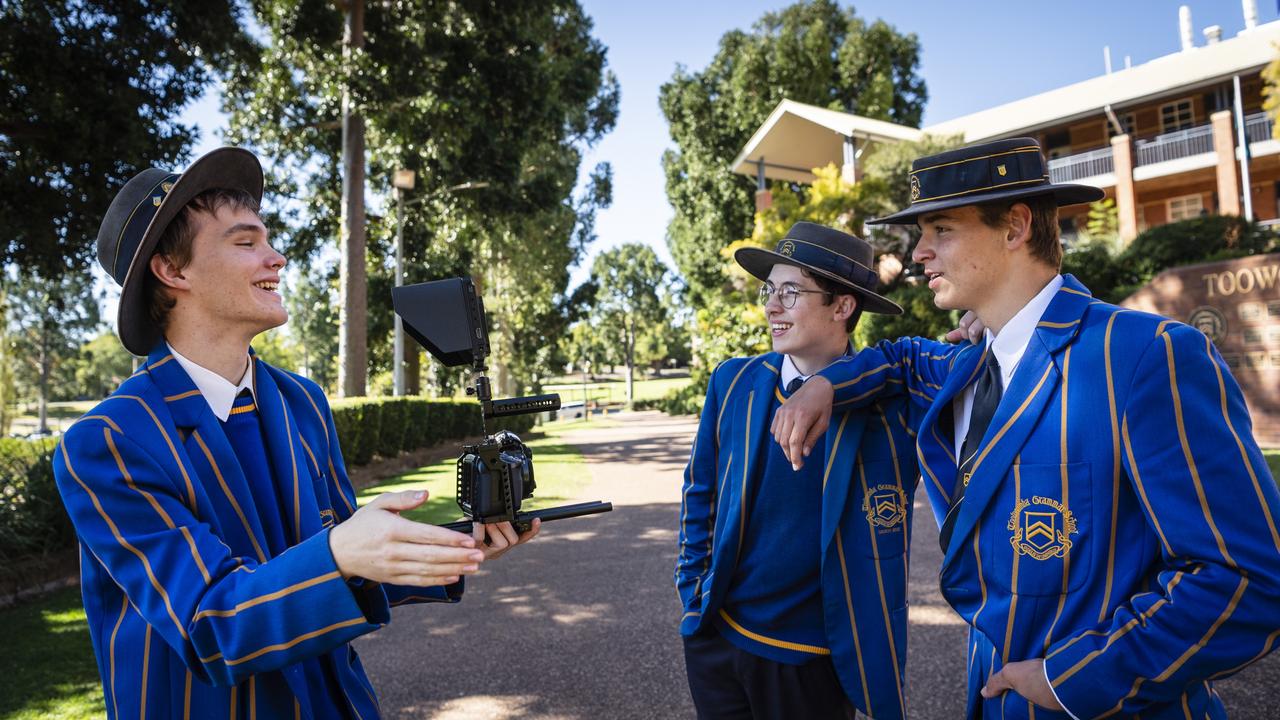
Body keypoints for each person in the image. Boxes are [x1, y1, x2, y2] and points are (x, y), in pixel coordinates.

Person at [771, 137, 1280, 719]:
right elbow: (901, 359)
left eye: (940, 230)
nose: (918, 254)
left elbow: (1247, 579)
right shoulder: (962, 364)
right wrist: (826, 384)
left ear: (1014, 227)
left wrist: (1072, 679)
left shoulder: (1143, 355)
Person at [54, 147, 538, 719]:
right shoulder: (107, 442)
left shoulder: (302, 401)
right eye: (246, 243)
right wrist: (339, 553)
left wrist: (456, 545)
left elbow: (349, 564)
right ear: (173, 270)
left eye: (268, 239)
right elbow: (210, 625)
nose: (276, 257)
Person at [676, 222, 924, 719]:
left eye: (790, 292)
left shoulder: (892, 404)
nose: (771, 306)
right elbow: (699, 492)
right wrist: (693, 596)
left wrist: (983, 326)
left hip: (814, 657)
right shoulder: (735, 381)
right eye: (770, 290)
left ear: (842, 306)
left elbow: (961, 364)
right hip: (718, 640)